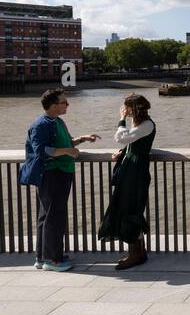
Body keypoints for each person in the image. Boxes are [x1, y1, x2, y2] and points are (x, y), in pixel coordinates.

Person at [20, 89, 98, 271]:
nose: (68, 105)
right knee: (54, 216)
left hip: (61, 172)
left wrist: (81, 140)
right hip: (52, 174)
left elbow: (65, 143)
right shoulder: (40, 125)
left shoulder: (57, 121)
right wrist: (67, 152)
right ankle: (51, 260)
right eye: (65, 102)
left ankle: (43, 256)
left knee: (47, 215)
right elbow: (41, 150)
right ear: (54, 106)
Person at [98, 93, 156, 270]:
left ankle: (134, 255)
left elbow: (121, 137)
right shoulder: (141, 123)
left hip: (135, 173)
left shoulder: (146, 124)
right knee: (128, 209)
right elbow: (131, 142)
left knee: (130, 210)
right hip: (131, 170)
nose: (124, 110)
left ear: (133, 108)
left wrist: (121, 120)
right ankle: (139, 252)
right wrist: (123, 152)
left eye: (126, 107)